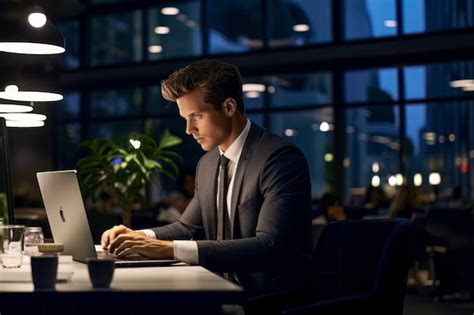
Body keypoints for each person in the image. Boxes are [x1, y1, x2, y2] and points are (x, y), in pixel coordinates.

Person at [101, 59, 313, 301]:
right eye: (185, 118)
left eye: (197, 116)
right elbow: (187, 228)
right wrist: (139, 236)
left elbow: (270, 246)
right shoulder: (208, 163)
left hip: (270, 299)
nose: (189, 129)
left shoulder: (279, 158)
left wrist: (170, 250)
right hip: (220, 291)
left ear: (229, 107)